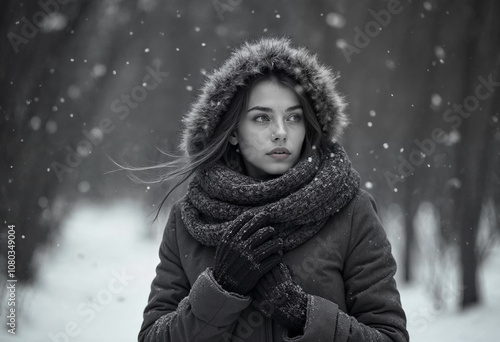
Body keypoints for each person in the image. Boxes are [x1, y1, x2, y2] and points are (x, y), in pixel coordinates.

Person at [138, 37, 409, 342]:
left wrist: (303, 315)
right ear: (232, 133)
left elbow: (389, 336)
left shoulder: (350, 210)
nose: (280, 132)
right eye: (261, 117)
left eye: (293, 117)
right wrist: (221, 290)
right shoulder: (189, 219)